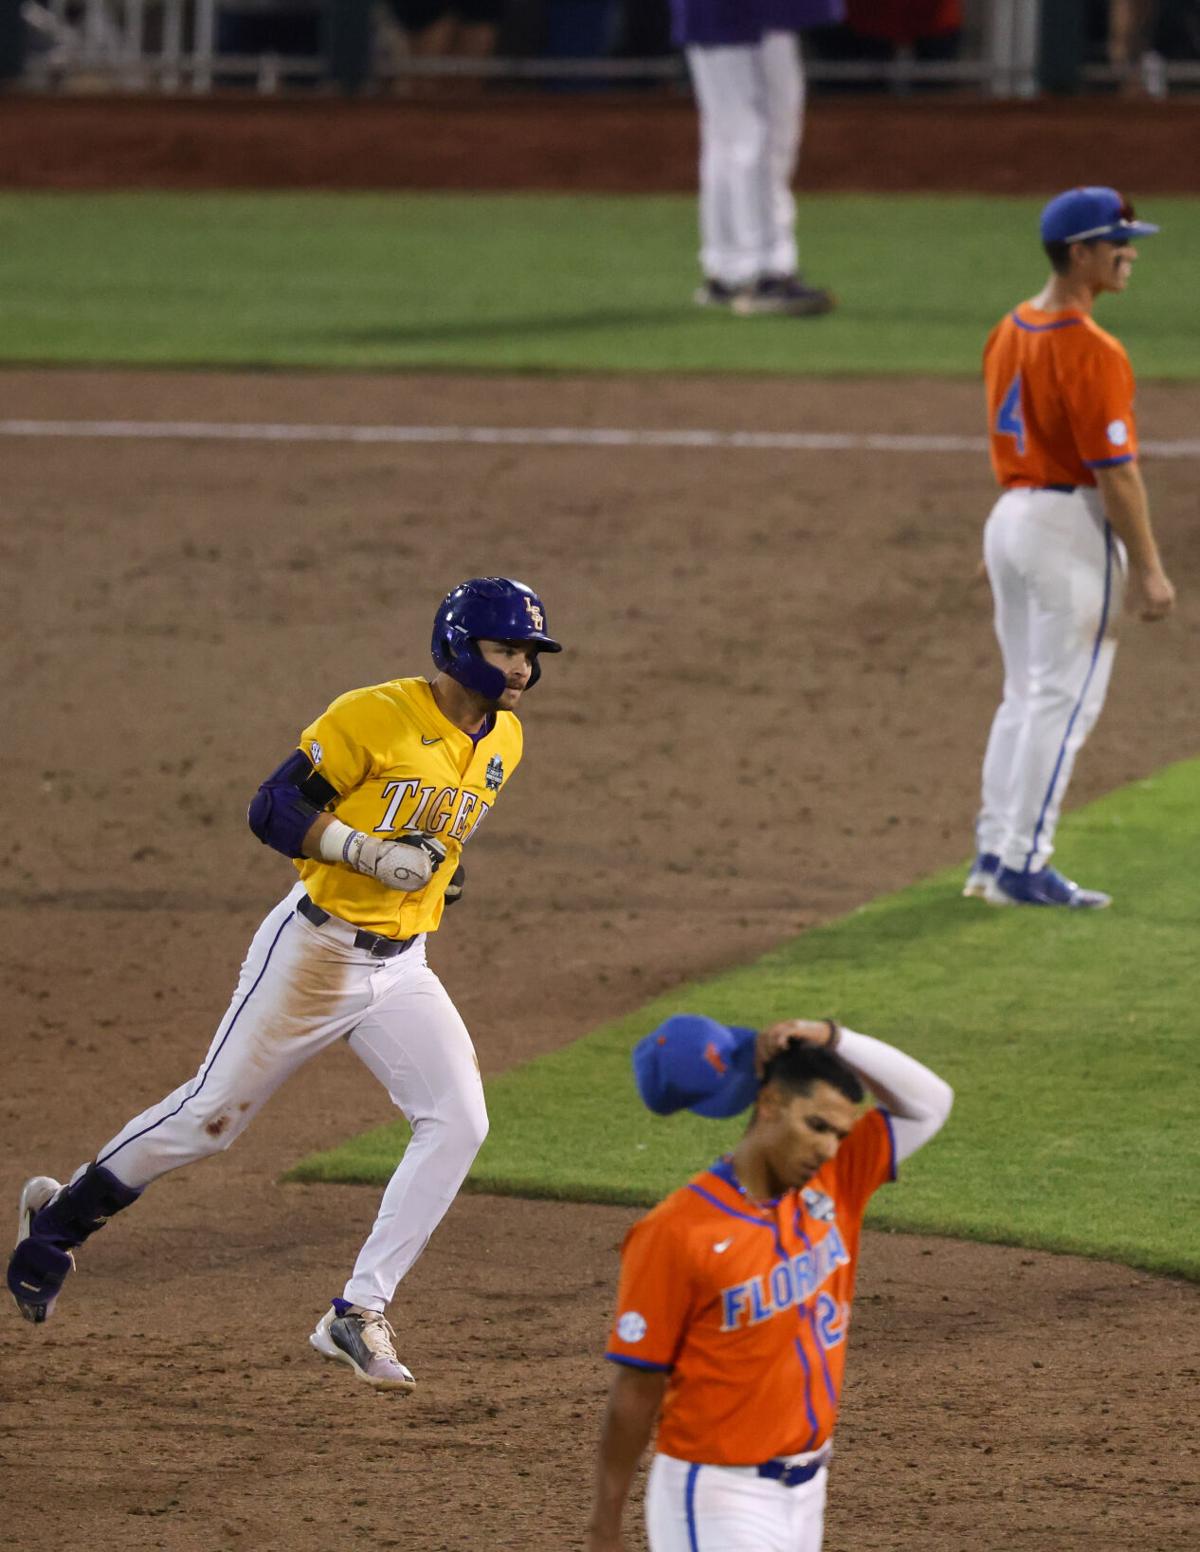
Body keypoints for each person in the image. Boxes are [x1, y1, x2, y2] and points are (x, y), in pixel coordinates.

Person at [7, 576, 562, 1392]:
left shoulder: (504, 743)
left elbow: (438, 839)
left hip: (401, 968)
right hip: (313, 956)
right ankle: (55, 1226)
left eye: (529, 655)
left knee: (459, 1121)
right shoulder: (373, 713)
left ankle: (357, 1311)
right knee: (209, 1120)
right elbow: (271, 808)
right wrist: (369, 854)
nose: (518, 668)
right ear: (457, 645)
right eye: (504, 649)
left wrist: (439, 876)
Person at [587, 1011, 953, 1551]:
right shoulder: (677, 1232)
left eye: (840, 1133)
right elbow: (636, 1390)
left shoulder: (835, 1183)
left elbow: (931, 1102)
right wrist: (604, 1528)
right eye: (816, 1126)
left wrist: (833, 1036)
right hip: (717, 1494)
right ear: (769, 1105)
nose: (830, 1147)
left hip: (807, 1492)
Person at [963, 186, 1176, 910]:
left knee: (1024, 696)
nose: (1130, 253)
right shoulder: (1091, 349)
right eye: (1117, 242)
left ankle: (994, 852)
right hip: (1067, 529)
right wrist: (1148, 570)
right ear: (1078, 253)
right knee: (1063, 704)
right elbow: (1115, 473)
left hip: (1014, 517)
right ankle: (1024, 867)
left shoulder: (1010, 327)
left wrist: (1011, 541)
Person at [672, 0, 843, 316]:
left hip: (757, 13)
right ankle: (766, 273)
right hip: (728, 11)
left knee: (735, 132)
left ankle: (728, 270)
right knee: (751, 132)